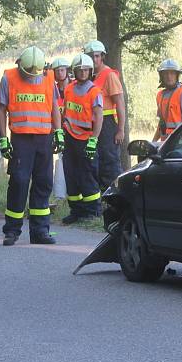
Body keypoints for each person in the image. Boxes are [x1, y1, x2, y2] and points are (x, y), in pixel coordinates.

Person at [0, 45, 63, 246]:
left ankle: (40, 231)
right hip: (21, 140)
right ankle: (12, 231)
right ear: (19, 64)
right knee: (19, 182)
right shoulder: (9, 78)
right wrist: (2, 139)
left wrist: (58, 133)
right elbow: (1, 110)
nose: (32, 78)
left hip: (44, 139)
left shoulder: (49, 78)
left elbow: (54, 108)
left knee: (43, 183)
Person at [61, 53, 103, 224]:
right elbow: (65, 111)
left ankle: (93, 211)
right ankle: (76, 211)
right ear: (75, 72)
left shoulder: (95, 92)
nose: (83, 73)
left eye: (86, 70)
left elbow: (99, 117)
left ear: (90, 71)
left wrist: (94, 139)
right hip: (70, 138)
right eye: (80, 70)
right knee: (71, 174)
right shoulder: (69, 88)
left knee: (87, 175)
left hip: (86, 139)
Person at [83, 40, 126, 189]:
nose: (94, 59)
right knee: (96, 162)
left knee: (110, 163)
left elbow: (120, 103)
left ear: (102, 57)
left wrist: (120, 129)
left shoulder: (109, 75)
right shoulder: (88, 76)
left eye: (97, 56)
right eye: (91, 56)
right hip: (93, 124)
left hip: (107, 125)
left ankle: (113, 198)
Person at [153, 59, 182, 142]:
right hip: (165, 144)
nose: (169, 76)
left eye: (172, 73)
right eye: (166, 73)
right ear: (161, 76)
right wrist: (153, 142)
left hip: (181, 144)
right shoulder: (160, 95)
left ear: (177, 75)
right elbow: (161, 124)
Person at [51, 56, 72, 202]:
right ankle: (60, 195)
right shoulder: (51, 89)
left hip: (74, 131)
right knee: (61, 162)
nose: (60, 73)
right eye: (57, 71)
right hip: (57, 132)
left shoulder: (75, 87)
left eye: (62, 70)